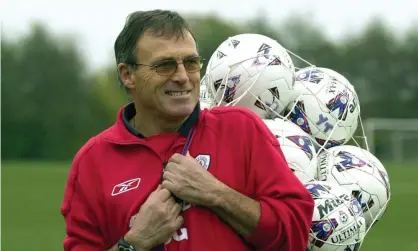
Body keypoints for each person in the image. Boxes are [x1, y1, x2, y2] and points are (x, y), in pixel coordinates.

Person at [60, 9, 315, 251]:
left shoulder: (241, 130)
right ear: (128, 75)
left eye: (191, 63)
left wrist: (215, 193)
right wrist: (136, 242)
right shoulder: (93, 161)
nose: (183, 76)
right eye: (165, 65)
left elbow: (295, 234)